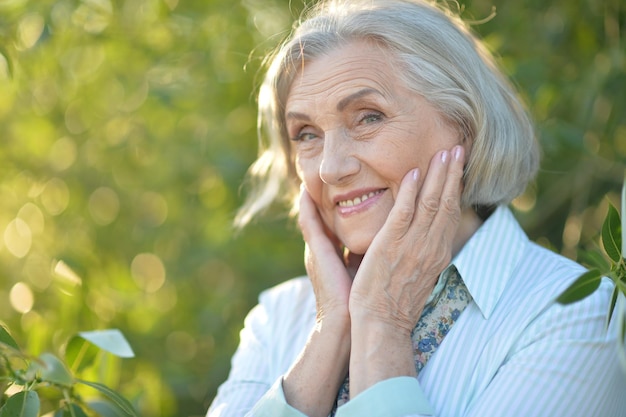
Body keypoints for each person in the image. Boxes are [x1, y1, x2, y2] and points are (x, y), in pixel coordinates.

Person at [207, 0, 626, 416]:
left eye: (368, 118)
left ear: (465, 123)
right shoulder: (278, 316)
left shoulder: (576, 315)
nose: (331, 168)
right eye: (306, 134)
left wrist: (382, 323)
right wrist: (331, 329)